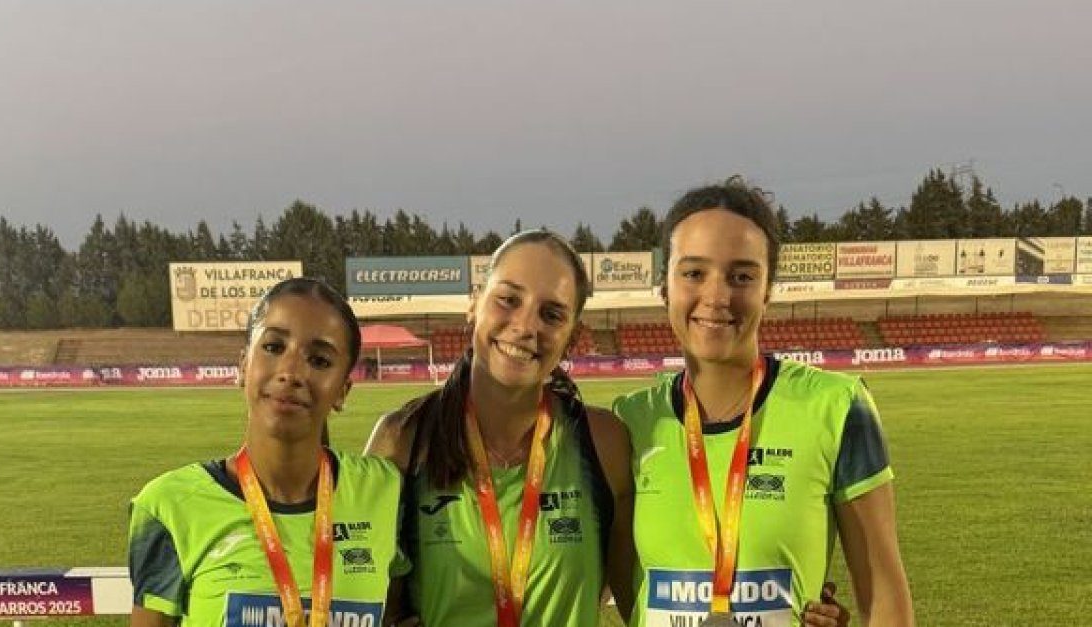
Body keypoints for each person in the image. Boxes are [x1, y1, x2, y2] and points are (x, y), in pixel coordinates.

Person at [613, 177, 913, 626]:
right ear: (665, 287)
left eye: (742, 276)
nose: (716, 297)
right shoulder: (628, 423)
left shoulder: (837, 407)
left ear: (768, 289)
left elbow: (886, 602)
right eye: (694, 273)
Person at [365, 229, 637, 626]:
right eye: (508, 300)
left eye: (552, 314)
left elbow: (639, 606)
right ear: (474, 305)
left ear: (573, 337)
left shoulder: (603, 442)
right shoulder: (403, 440)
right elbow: (368, 604)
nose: (526, 326)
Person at [128, 277, 407, 627]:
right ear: (244, 365)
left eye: (320, 361)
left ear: (342, 391)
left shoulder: (384, 491)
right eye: (274, 347)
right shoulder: (169, 505)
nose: (291, 373)